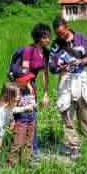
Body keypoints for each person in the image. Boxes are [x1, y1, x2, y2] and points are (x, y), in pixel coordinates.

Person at [49, 16, 87, 157]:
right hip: (65, 80)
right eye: (57, 34)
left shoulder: (80, 37)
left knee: (86, 113)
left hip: (81, 78)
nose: (61, 36)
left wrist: (80, 60)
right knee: (67, 115)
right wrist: (61, 68)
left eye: (62, 33)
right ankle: (73, 146)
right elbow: (52, 67)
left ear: (67, 27)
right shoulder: (55, 45)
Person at [0, 82, 34, 169]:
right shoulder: (0, 110)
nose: (19, 97)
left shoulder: (7, 106)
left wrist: (25, 108)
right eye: (17, 96)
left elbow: (13, 110)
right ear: (9, 96)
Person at [22, 23, 51, 159]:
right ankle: (27, 150)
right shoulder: (29, 50)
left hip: (32, 84)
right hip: (22, 84)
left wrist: (45, 93)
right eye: (45, 37)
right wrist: (27, 85)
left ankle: (32, 149)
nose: (48, 39)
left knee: (32, 116)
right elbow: (24, 70)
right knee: (25, 116)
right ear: (38, 37)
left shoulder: (46, 52)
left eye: (48, 36)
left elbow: (45, 74)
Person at [8, 73, 38, 165]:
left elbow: (32, 101)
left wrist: (34, 105)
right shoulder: (15, 91)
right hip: (21, 120)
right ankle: (11, 163)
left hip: (31, 118)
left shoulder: (30, 89)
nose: (29, 81)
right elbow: (11, 109)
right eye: (27, 80)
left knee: (29, 142)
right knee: (18, 143)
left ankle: (26, 161)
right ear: (20, 81)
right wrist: (24, 109)